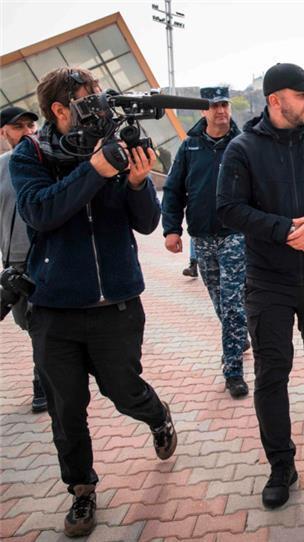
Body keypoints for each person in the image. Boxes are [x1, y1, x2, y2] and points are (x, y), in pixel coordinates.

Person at [10, 67, 176, 537]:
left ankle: (157, 415)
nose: (99, 112)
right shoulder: (31, 154)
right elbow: (40, 212)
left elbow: (144, 223)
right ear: (59, 110)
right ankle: (81, 492)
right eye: (87, 103)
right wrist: (95, 170)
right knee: (67, 408)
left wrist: (139, 184)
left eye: (101, 101)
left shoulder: (114, 144)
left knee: (123, 390)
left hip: (117, 303)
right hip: (53, 309)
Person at [217, 63, 304, 509]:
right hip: (269, 281)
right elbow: (227, 209)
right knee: (271, 373)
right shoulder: (242, 149)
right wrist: (285, 231)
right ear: (276, 100)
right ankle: (281, 464)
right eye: (303, 96)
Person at [162, 86, 249, 397]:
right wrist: (171, 229)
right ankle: (240, 337)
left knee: (232, 301)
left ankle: (233, 368)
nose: (220, 111)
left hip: (235, 235)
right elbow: (173, 191)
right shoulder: (189, 147)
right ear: (203, 111)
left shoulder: (242, 144)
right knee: (218, 299)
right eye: (213, 106)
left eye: (224, 104)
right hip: (201, 237)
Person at [0, 106, 47, 413]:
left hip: (46, 257)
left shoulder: (47, 160)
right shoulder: (1, 167)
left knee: (43, 323)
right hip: (14, 262)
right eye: (19, 127)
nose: (28, 132)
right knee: (27, 322)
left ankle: (42, 379)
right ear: (3, 132)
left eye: (31, 125)